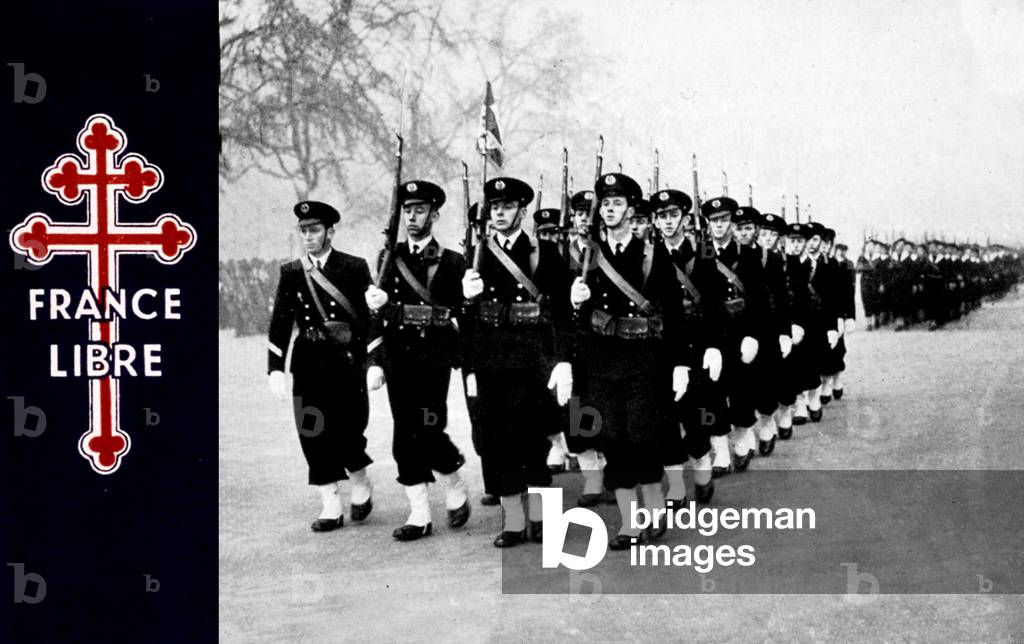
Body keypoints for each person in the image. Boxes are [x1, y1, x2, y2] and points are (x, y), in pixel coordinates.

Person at [570, 173, 691, 549]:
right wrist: (575, 300)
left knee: (642, 436)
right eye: (604, 204)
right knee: (612, 439)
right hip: (602, 361)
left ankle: (653, 505)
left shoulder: (654, 256)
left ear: (631, 209)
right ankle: (628, 521)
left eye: (617, 203)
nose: (609, 210)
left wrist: (680, 364)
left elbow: (674, 314)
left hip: (644, 361)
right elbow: (570, 316)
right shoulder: (587, 257)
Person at [461, 177, 574, 548]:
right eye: (495, 207)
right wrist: (466, 297)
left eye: (508, 207)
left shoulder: (544, 253)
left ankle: (542, 518)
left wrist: (560, 359)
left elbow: (560, 311)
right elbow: (463, 317)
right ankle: (512, 520)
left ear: (522, 212)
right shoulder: (475, 255)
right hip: (492, 359)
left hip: (533, 358)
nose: (500, 213)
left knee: (534, 439)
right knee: (498, 443)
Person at [363, 180, 472, 541]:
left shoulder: (454, 261)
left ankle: (454, 479)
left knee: (429, 427)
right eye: (407, 210)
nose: (412, 217)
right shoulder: (388, 257)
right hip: (398, 358)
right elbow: (375, 314)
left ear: (435, 215)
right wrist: (375, 359)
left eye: (420, 210)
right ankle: (420, 513)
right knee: (403, 435)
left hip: (434, 359)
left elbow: (458, 313)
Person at [266, 201, 374, 532]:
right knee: (312, 431)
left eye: (315, 230)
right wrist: (275, 367)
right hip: (309, 364)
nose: (308, 237)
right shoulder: (292, 272)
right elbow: (281, 323)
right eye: (304, 231)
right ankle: (330, 503)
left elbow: (369, 319)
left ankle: (360, 482)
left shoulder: (354, 267)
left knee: (349, 430)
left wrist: (373, 362)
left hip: (347, 362)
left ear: (330, 232)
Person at [651, 187, 724, 505]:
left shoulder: (703, 252)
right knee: (665, 417)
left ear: (684, 217)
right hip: (662, 344)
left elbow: (715, 303)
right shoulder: (649, 253)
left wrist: (713, 345)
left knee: (696, 417)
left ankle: (703, 462)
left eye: (673, 215)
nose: (668, 222)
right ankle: (676, 485)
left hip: (696, 341)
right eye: (661, 216)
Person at [700, 197, 771, 476]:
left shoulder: (748, 255)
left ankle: (742, 436)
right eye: (714, 221)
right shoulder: (702, 253)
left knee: (741, 390)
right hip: (713, 331)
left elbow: (760, 300)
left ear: (732, 222)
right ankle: (721, 452)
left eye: (724, 220)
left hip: (742, 331)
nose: (719, 226)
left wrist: (754, 335)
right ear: (708, 223)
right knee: (713, 392)